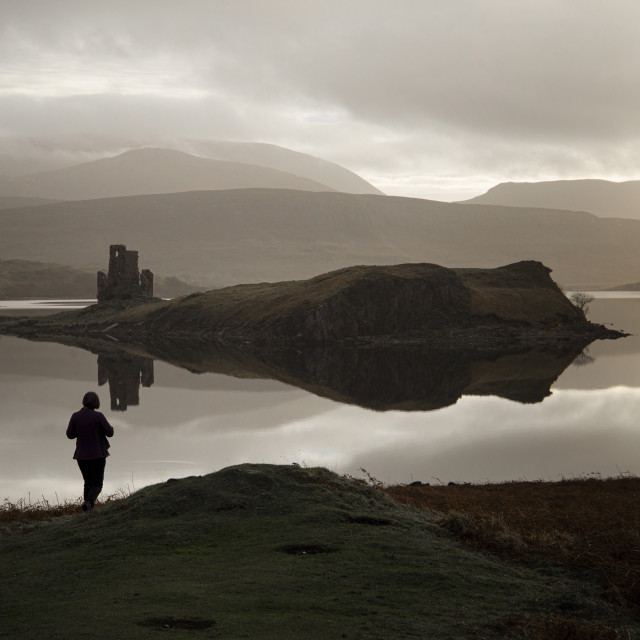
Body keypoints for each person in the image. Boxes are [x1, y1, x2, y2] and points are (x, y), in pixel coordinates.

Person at [66, 391, 114, 512]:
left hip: (81, 456)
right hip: (98, 455)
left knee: (87, 482)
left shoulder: (75, 416)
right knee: (97, 484)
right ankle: (88, 503)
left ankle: (87, 509)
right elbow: (110, 432)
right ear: (96, 402)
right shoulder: (98, 416)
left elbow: (70, 435)